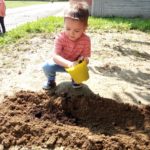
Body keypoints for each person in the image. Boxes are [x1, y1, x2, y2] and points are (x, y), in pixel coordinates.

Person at [42, 2, 91, 90]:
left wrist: (83, 60)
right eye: (68, 29)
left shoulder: (86, 40)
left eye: (76, 31)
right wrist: (68, 64)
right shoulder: (60, 38)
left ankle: (75, 79)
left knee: (83, 70)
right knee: (47, 66)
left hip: (75, 66)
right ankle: (51, 81)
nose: (71, 33)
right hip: (61, 63)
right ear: (64, 24)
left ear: (84, 28)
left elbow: (86, 59)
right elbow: (55, 56)